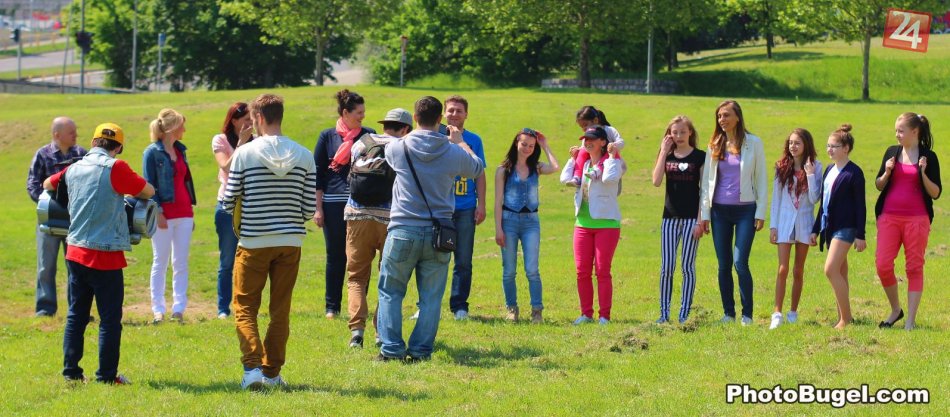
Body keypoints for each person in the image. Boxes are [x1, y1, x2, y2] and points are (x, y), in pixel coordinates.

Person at [43, 123, 155, 384]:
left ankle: (71, 373)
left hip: (76, 251)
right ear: (119, 147)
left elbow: (48, 183)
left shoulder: (74, 168)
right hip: (106, 255)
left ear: (93, 142)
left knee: (76, 316)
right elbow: (147, 191)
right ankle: (106, 377)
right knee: (110, 320)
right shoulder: (117, 167)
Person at [376, 96, 483, 361]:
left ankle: (391, 349)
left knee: (391, 291)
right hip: (439, 232)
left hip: (403, 228)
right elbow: (477, 168)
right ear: (440, 119)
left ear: (414, 118)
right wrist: (460, 142)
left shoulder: (398, 148)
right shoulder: (453, 152)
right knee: (431, 297)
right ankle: (421, 350)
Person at [221, 93, 317, 390]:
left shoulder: (245, 154)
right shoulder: (304, 155)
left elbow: (228, 201)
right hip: (290, 241)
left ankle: (252, 369)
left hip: (254, 240)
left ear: (259, 118)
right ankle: (272, 373)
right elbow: (308, 209)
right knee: (280, 309)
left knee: (245, 307)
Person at [344, 108, 412, 348]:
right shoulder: (403, 147)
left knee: (356, 277)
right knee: (388, 277)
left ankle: (356, 331)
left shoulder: (361, 143)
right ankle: (380, 331)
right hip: (390, 219)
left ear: (385, 125)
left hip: (357, 215)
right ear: (405, 129)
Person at [698, 100, 767, 326]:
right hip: (719, 212)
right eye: (719, 116)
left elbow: (761, 179)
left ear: (737, 117)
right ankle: (728, 314)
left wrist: (761, 212)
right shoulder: (714, 145)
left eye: (726, 115)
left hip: (746, 210)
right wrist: (705, 215)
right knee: (723, 264)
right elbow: (706, 183)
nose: (722, 120)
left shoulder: (754, 143)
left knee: (740, 262)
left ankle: (747, 315)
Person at [873, 113, 941, 330]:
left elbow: (936, 192)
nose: (897, 134)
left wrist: (923, 172)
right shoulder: (891, 152)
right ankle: (896, 310)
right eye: (896, 130)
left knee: (914, 267)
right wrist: (887, 172)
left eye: (901, 131)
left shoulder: (929, 157)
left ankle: (910, 321)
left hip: (917, 220)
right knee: (883, 265)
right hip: (889, 218)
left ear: (915, 131)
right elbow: (879, 185)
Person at [314, 89, 376, 319]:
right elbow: (318, 174)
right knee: (335, 255)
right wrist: (318, 208)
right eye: (359, 112)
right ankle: (332, 307)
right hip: (332, 204)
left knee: (361, 256)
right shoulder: (327, 136)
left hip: (361, 204)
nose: (363, 116)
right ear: (345, 113)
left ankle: (358, 306)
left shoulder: (369, 136)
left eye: (363, 112)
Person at [560, 125, 626, 325]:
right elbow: (564, 179)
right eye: (585, 139)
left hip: (607, 224)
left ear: (603, 142)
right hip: (582, 223)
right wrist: (573, 159)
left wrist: (612, 156)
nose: (587, 142)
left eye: (592, 139)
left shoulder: (614, 162)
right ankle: (586, 314)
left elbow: (610, 178)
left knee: (602, 271)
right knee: (582, 271)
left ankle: (604, 315)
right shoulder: (584, 163)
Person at [493, 128, 559, 323]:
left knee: (532, 269)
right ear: (516, 143)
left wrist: (545, 145)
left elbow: (555, 167)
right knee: (509, 270)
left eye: (531, 146)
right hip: (509, 221)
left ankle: (537, 310)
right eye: (524, 144)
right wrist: (498, 228)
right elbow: (497, 201)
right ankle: (511, 308)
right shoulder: (503, 170)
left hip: (531, 222)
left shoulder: (536, 168)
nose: (527, 148)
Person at [27, 117, 86, 317]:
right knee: (46, 266)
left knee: (76, 267)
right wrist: (47, 204)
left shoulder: (82, 155)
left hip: (75, 221)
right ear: (57, 135)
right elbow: (32, 184)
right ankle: (45, 308)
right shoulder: (42, 155)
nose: (76, 135)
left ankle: (77, 309)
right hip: (48, 220)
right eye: (71, 132)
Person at [810, 124, 866, 330]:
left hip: (847, 227)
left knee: (830, 269)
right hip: (830, 227)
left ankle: (847, 319)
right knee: (840, 272)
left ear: (846, 148)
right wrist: (815, 229)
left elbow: (860, 206)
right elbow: (824, 203)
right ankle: (842, 316)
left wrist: (861, 234)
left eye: (834, 146)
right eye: (828, 146)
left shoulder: (854, 173)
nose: (829, 149)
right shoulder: (829, 170)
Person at [650, 116, 705, 324]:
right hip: (669, 219)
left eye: (683, 131)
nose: (679, 136)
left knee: (687, 267)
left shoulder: (700, 157)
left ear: (690, 132)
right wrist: (663, 151)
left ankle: (684, 314)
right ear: (669, 134)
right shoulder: (667, 156)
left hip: (692, 219)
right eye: (675, 132)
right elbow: (656, 181)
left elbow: (705, 192)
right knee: (667, 267)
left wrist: (700, 221)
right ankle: (664, 314)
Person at [143, 108, 196, 323]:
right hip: (164, 215)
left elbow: (184, 182)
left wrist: (191, 211)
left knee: (180, 262)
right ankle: (158, 309)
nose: (185, 129)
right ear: (173, 128)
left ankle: (179, 308)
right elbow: (149, 185)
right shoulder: (151, 152)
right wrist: (158, 212)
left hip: (185, 213)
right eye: (182, 125)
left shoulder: (180, 150)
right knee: (160, 261)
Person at [768, 129, 821, 329]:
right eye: (790, 143)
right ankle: (777, 313)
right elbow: (776, 199)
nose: (793, 146)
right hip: (784, 223)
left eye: (797, 143)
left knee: (798, 270)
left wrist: (810, 174)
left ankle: (793, 312)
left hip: (804, 224)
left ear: (806, 145)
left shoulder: (816, 167)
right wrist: (773, 226)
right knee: (783, 269)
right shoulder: (781, 167)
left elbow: (815, 199)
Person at [444, 95, 487, 320]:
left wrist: (482, 204)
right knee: (433, 260)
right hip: (440, 208)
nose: (454, 114)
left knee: (463, 260)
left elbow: (480, 173)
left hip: (466, 208)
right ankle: (426, 304)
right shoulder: (436, 137)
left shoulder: (474, 140)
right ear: (444, 113)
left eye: (459, 110)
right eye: (450, 110)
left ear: (466, 114)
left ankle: (460, 306)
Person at [211, 102, 254, 319]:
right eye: (246, 119)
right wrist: (241, 143)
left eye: (252, 118)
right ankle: (223, 308)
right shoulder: (220, 140)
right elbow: (226, 166)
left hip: (251, 205)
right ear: (234, 121)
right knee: (227, 260)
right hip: (228, 206)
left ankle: (245, 305)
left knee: (250, 259)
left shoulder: (257, 140)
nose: (250, 123)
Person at [570, 106, 625, 186]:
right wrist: (577, 151)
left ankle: (597, 171)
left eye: (585, 125)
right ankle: (577, 176)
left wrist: (614, 145)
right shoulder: (587, 135)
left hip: (609, 166)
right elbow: (584, 148)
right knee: (582, 152)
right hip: (592, 166)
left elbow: (621, 142)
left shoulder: (609, 130)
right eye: (581, 127)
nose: (584, 129)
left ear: (595, 120)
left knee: (606, 152)